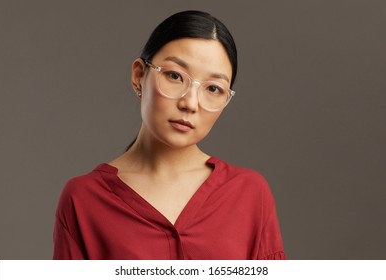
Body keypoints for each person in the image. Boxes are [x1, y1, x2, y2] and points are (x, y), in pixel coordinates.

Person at [53, 10, 286, 260]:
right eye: (174, 76)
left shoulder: (249, 193)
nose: (191, 103)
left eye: (214, 89)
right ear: (139, 75)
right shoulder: (84, 199)